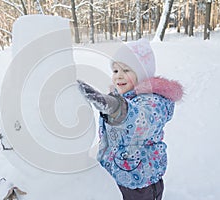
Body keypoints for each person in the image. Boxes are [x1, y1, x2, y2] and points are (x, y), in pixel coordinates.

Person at [77, 39, 183, 200]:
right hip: (116, 175)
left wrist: (116, 108)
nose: (119, 76)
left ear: (142, 74)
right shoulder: (121, 98)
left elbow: (139, 120)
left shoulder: (153, 102)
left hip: (141, 184)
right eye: (115, 71)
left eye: (126, 70)